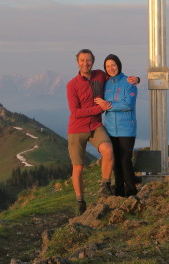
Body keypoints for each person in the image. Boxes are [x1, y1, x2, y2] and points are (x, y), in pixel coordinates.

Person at [66, 49, 139, 215]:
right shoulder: (72, 85)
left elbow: (116, 76)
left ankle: (106, 185)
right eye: (82, 61)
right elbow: (75, 112)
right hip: (77, 128)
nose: (86, 63)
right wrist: (98, 108)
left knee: (108, 150)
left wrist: (137, 79)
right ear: (78, 62)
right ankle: (80, 201)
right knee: (78, 167)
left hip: (96, 125)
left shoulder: (100, 75)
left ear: (93, 62)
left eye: (89, 60)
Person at [95, 54, 138, 197]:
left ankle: (132, 192)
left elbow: (128, 104)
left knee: (125, 160)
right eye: (107, 66)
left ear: (119, 65)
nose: (111, 68)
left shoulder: (129, 82)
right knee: (115, 162)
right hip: (110, 129)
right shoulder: (105, 84)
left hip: (127, 128)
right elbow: (100, 102)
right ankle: (119, 191)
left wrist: (109, 106)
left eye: (113, 65)